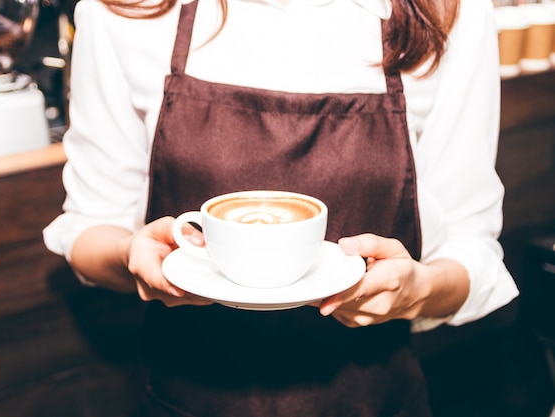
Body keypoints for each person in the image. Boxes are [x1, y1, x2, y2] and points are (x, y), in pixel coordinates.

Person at [43, 0, 520, 414]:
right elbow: (90, 230)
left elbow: (470, 251)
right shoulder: (123, 13)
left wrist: (419, 289)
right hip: (186, 401)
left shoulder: (444, 13)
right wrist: (131, 255)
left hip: (376, 402)